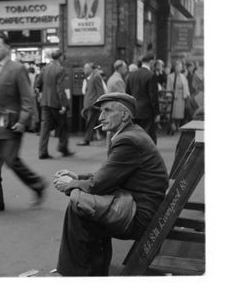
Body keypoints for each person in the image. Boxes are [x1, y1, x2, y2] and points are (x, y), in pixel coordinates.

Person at [53, 92, 168, 276]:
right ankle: (91, 272)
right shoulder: (131, 133)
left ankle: (75, 274)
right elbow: (110, 174)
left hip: (140, 214)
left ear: (124, 115)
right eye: (100, 112)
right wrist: (78, 176)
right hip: (140, 205)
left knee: (79, 208)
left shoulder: (127, 141)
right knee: (85, 206)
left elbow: (98, 185)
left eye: (107, 111)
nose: (100, 117)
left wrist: (70, 184)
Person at [0, 32, 47, 214]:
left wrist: (23, 121)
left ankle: (37, 184)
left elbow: (27, 99)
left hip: (11, 126)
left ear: (7, 48)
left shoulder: (17, 69)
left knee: (11, 160)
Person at [35, 50, 73, 159]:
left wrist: (41, 94)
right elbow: (60, 88)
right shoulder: (60, 70)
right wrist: (64, 105)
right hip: (56, 103)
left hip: (45, 103)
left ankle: (42, 152)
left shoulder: (45, 68)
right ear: (60, 57)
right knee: (64, 125)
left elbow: (37, 84)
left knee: (45, 128)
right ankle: (63, 148)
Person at [125, 52, 160, 143]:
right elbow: (153, 96)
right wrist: (157, 113)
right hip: (147, 111)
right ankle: (148, 156)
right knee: (148, 137)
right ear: (151, 62)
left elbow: (127, 94)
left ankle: (137, 155)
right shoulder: (151, 75)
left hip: (134, 110)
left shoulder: (131, 75)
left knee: (136, 136)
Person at [77, 63, 105, 146]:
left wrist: (98, 104)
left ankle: (87, 139)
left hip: (93, 105)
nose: (84, 70)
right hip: (90, 104)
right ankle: (88, 138)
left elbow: (100, 91)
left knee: (90, 122)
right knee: (91, 122)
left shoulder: (96, 76)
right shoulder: (90, 77)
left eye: (86, 68)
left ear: (91, 69)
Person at [166, 60, 190, 134]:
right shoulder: (170, 76)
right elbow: (168, 86)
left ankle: (178, 125)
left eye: (180, 67)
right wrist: (169, 95)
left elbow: (186, 85)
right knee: (173, 112)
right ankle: (172, 124)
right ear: (175, 67)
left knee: (180, 112)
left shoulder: (183, 76)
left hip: (181, 96)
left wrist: (187, 95)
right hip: (174, 95)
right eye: (178, 67)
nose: (179, 68)